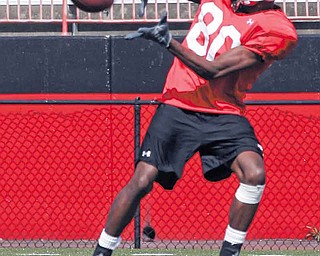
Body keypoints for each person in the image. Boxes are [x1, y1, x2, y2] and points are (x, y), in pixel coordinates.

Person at [92, 0, 297, 254]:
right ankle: (102, 251)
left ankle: (229, 253)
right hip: (180, 102)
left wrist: (168, 42)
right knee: (142, 180)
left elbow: (213, 69)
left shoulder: (276, 28)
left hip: (224, 111)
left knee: (254, 175)